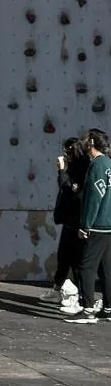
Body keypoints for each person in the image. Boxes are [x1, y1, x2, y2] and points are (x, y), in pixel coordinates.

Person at [65, 129, 111, 324]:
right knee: (106, 268)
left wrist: (85, 225)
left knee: (86, 267)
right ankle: (108, 308)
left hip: (97, 224)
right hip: (109, 225)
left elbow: (94, 197)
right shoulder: (109, 163)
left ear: (91, 142)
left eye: (85, 140)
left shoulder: (97, 165)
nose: (83, 144)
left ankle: (88, 309)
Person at [51, 137, 89, 314]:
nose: (66, 154)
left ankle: (80, 297)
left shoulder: (82, 168)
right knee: (63, 258)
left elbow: (68, 188)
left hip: (77, 221)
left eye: (69, 151)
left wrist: (62, 171)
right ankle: (58, 290)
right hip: (69, 221)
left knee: (77, 262)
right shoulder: (74, 167)